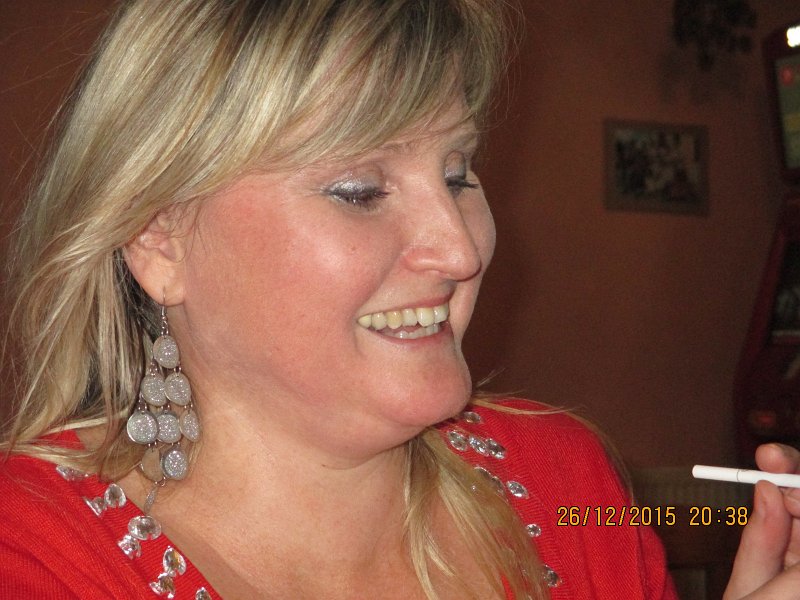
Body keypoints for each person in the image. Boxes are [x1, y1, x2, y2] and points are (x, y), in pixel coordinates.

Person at [0, 1, 797, 598]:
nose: (461, 250)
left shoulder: (569, 484)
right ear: (158, 240)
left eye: (458, 174)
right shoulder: (33, 553)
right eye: (360, 190)